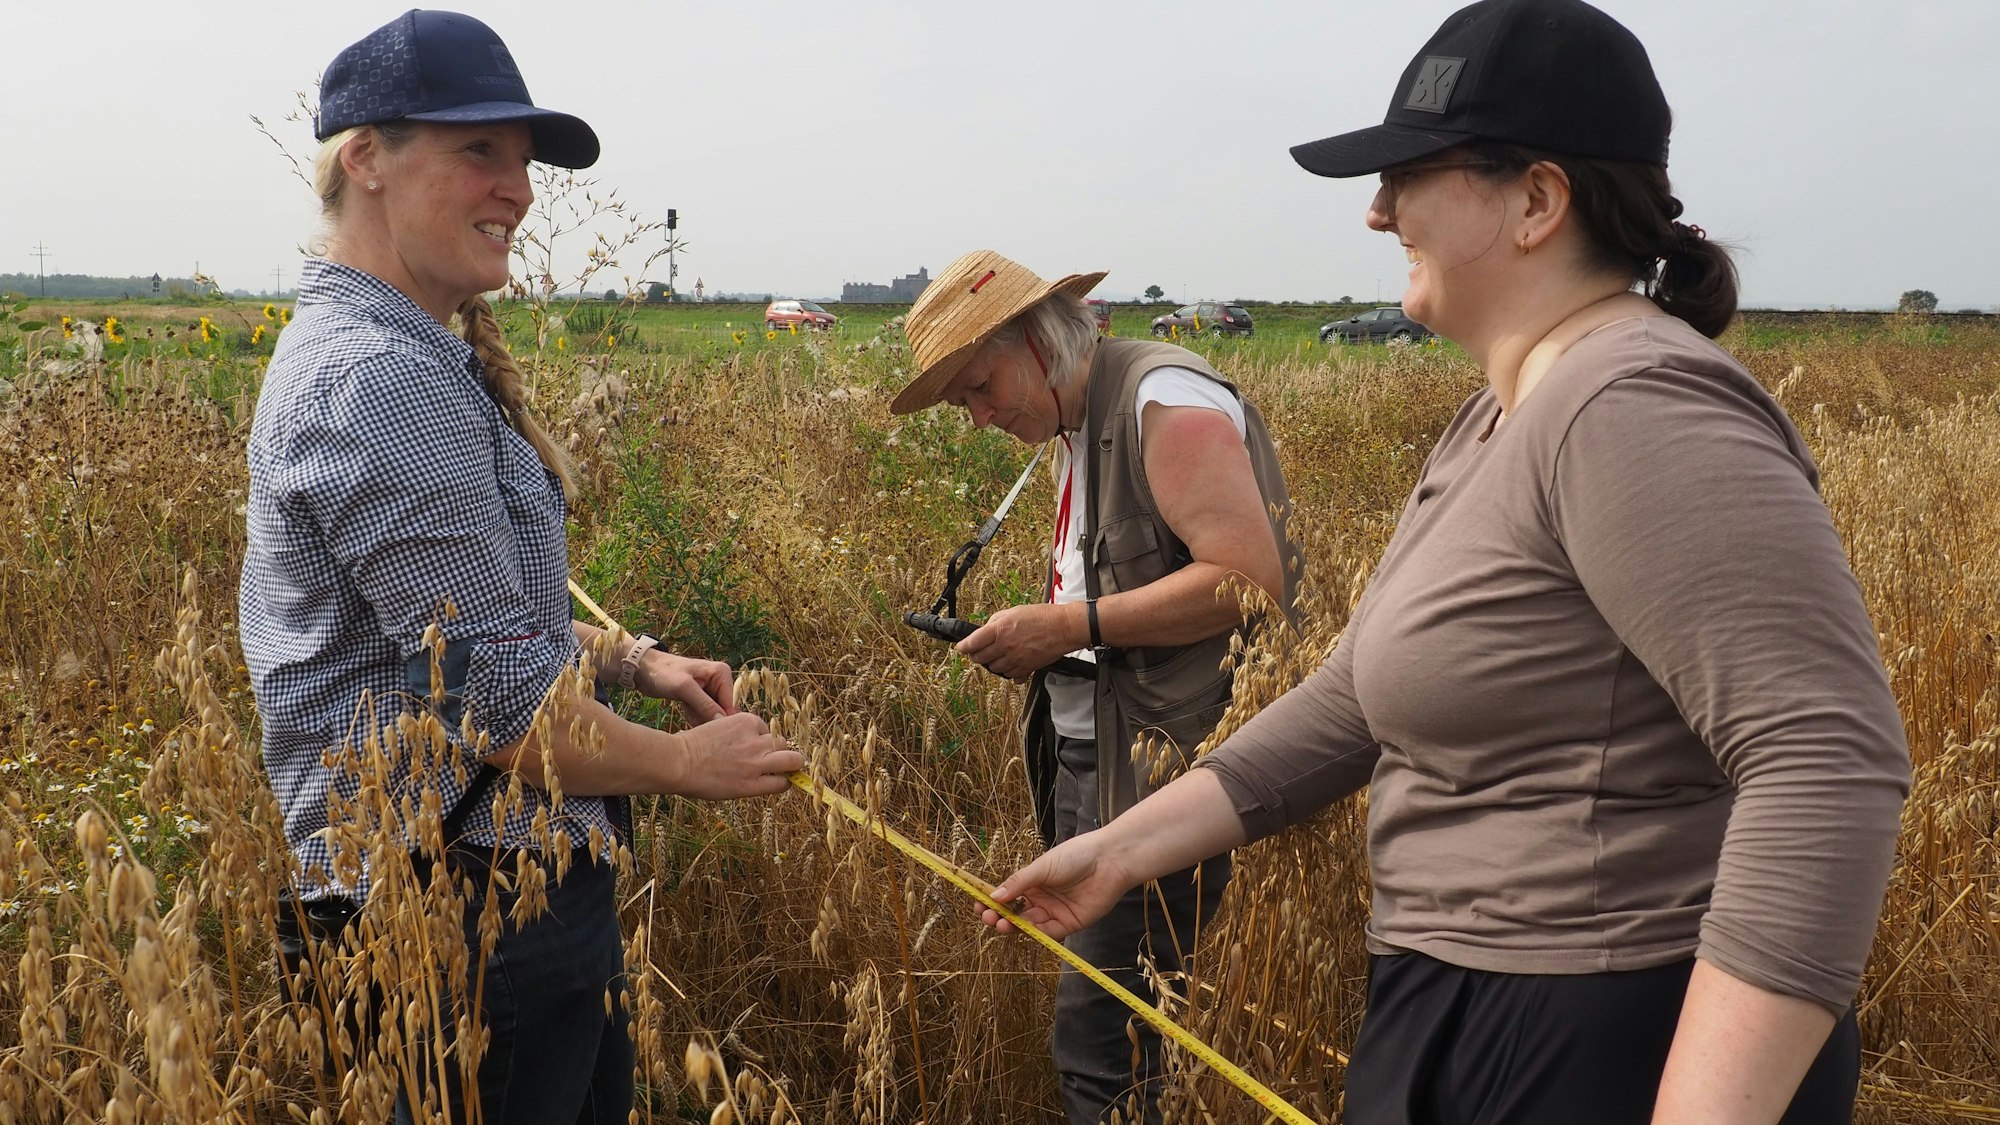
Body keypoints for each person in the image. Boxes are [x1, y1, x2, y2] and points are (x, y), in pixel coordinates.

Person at [982, 2, 1911, 1123]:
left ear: (1535, 201)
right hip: (1472, 1009)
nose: (1377, 214)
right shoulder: (1499, 415)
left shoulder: (1629, 404)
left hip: (1603, 1026)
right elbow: (1355, 700)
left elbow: (1822, 761)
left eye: (1408, 175)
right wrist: (1121, 850)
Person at [239, 11, 803, 1123]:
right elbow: (503, 708)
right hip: (462, 910)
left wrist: (633, 662)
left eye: (523, 160)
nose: (520, 189)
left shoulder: (404, 356)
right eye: (479, 152)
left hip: (487, 894)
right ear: (366, 161)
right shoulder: (375, 381)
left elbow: (456, 630)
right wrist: (690, 765)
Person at [892, 251, 1301, 1124]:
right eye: (963, 399)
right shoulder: (1075, 418)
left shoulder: (1166, 404)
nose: (978, 415)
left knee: (1101, 1049)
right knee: (1118, 1033)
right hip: (1099, 760)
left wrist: (1068, 627)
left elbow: (1247, 581)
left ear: (1038, 340)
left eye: (979, 384)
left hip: (1161, 777)